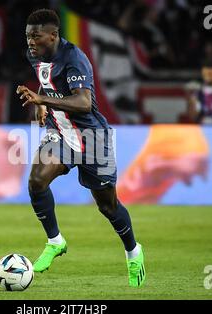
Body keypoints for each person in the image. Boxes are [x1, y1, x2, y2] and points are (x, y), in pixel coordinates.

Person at [16, 9, 146, 287]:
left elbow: (84, 103)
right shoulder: (35, 55)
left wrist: (42, 99)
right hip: (60, 133)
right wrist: (41, 105)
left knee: (108, 206)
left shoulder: (75, 60)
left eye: (35, 36)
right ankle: (55, 241)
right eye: (28, 36)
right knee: (37, 180)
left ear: (53, 35)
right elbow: (46, 82)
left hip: (92, 139)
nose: (30, 41)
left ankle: (133, 252)